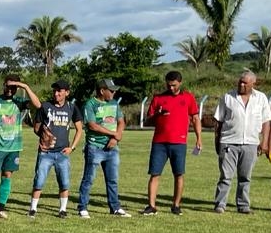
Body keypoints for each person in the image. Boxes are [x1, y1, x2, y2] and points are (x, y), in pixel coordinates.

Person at [0, 78, 42, 221]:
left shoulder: (19, 101)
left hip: (13, 148)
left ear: (17, 88)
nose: (9, 89)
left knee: (7, 176)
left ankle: (1, 209)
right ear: (3, 86)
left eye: (13, 87)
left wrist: (25, 86)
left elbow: (38, 105)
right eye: (8, 86)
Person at [213, 70, 271, 214]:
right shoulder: (227, 97)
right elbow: (218, 121)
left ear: (253, 83)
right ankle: (220, 204)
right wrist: (217, 141)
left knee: (245, 177)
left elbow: (266, 121)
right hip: (229, 142)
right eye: (240, 81)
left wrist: (264, 142)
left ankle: (243, 205)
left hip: (251, 143)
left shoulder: (261, 98)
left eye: (245, 83)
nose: (241, 85)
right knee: (226, 176)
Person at [143, 70, 201, 216]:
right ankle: (151, 206)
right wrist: (157, 114)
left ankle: (176, 205)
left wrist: (199, 138)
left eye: (174, 85)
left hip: (179, 143)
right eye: (168, 85)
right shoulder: (158, 98)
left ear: (180, 83)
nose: (171, 88)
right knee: (154, 174)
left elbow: (195, 118)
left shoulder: (188, 98)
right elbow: (147, 121)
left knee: (179, 174)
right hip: (159, 143)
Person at [28, 80, 84, 218]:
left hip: (62, 153)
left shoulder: (71, 107)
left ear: (67, 92)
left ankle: (62, 210)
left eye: (59, 91)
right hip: (46, 152)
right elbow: (36, 128)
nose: (56, 93)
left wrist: (72, 147)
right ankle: (33, 209)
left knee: (64, 182)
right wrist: (44, 136)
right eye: (54, 91)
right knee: (39, 181)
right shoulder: (45, 106)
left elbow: (79, 129)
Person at [77, 78, 130, 218]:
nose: (114, 93)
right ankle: (82, 207)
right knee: (89, 178)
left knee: (112, 179)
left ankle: (115, 207)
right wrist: (114, 134)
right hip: (95, 147)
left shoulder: (114, 103)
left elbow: (121, 121)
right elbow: (92, 125)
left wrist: (115, 138)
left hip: (112, 148)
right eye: (111, 91)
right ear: (102, 91)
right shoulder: (90, 104)